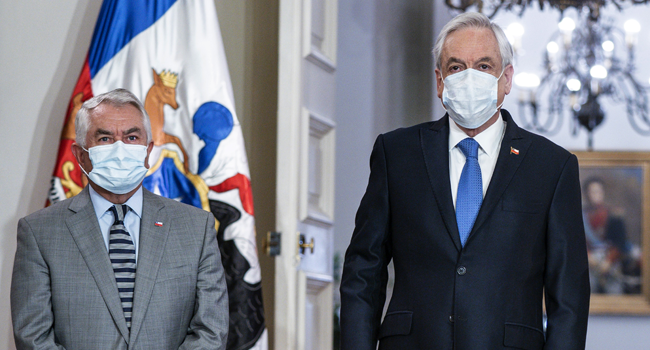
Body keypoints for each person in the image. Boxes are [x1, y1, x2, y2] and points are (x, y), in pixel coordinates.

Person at [340, 12, 590, 350]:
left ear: (507, 78)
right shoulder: (396, 152)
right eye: (456, 67)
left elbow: (569, 295)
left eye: (484, 66)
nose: (469, 77)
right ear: (440, 81)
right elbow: (363, 270)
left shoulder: (552, 166)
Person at [11, 88, 228, 349]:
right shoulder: (39, 232)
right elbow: (33, 337)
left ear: (147, 151)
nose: (120, 149)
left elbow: (211, 330)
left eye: (131, 137)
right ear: (81, 155)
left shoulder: (196, 227)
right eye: (104, 139)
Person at [582, 177, 641, 294]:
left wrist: (609, 261)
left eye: (598, 191)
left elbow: (620, 241)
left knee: (615, 291)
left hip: (611, 261)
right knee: (587, 289)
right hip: (589, 262)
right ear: (587, 194)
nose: (595, 195)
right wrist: (588, 256)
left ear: (603, 192)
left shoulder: (614, 215)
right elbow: (576, 241)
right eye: (592, 192)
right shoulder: (581, 216)